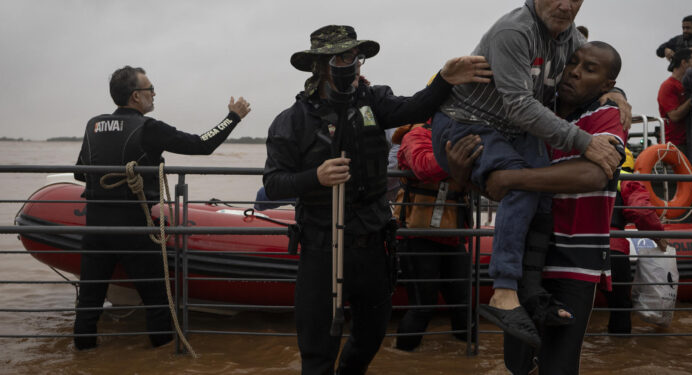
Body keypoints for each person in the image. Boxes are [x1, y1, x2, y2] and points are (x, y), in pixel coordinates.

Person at [262, 25, 491, 375]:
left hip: (372, 245)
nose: (351, 64)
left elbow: (417, 106)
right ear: (321, 65)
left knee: (370, 337)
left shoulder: (374, 101)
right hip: (323, 248)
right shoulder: (292, 121)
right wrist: (316, 177)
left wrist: (445, 79)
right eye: (342, 57)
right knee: (317, 350)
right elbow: (274, 183)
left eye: (355, 57)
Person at [430, 0, 627, 347]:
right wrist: (584, 142)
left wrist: (618, 93)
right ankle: (503, 291)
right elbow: (520, 105)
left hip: (510, 133)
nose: (565, 5)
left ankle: (529, 291)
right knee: (521, 182)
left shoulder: (569, 42)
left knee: (535, 185)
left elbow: (596, 60)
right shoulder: (514, 31)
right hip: (469, 121)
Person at [73, 66, 251, 350]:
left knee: (88, 305)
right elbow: (201, 144)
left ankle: (82, 359)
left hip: (95, 229)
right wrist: (234, 117)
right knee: (157, 301)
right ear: (135, 97)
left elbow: (80, 174)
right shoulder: (149, 128)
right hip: (135, 229)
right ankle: (162, 359)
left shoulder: (93, 125)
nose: (154, 93)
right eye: (150, 88)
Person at [390, 120, 474, 351]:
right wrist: (463, 159)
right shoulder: (416, 135)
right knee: (423, 305)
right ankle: (403, 357)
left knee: (464, 305)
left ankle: (470, 358)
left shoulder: (467, 136)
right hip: (418, 235)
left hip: (453, 234)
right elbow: (423, 166)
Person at [604, 148, 667, 334]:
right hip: (612, 246)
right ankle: (619, 355)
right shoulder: (626, 179)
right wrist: (658, 235)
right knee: (620, 307)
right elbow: (641, 211)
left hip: (574, 247)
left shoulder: (583, 175)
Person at [657, 48, 692, 153]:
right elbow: (674, 116)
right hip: (675, 145)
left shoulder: (689, 85)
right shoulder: (668, 86)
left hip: (691, 142)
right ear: (684, 63)